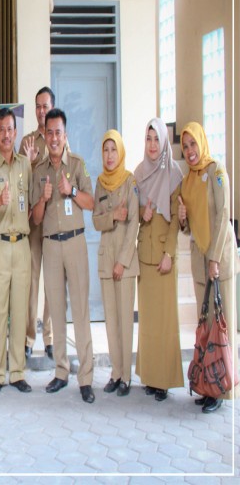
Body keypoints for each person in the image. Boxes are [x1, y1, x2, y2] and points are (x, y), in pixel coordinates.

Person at [31, 108, 95, 403]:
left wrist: (70, 192)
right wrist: (44, 199)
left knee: (80, 311)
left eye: (59, 132)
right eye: (50, 132)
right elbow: (35, 218)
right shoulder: (39, 170)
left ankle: (86, 378)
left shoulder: (78, 165)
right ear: (43, 135)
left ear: (65, 135)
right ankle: (60, 371)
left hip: (75, 243)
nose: (54, 138)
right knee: (56, 311)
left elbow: (91, 202)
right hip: (51, 246)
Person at [178, 121, 239, 413]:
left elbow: (223, 214)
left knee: (224, 327)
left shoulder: (217, 171)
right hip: (200, 263)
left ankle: (225, 389)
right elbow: (188, 225)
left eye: (193, 144)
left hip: (219, 261)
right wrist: (181, 218)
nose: (190, 151)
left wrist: (214, 258)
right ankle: (209, 386)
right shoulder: (188, 180)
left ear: (202, 142)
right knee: (207, 328)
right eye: (185, 146)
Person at [0, 108, 32, 395]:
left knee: (19, 311)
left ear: (15, 132)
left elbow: (32, 201)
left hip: (22, 245)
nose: (5, 134)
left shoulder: (25, 165)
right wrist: (0, 200)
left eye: (10, 129)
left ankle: (18, 372)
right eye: (0, 129)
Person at [134, 117, 183, 402]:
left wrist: (170, 254)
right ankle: (150, 378)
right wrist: (143, 214)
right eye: (148, 139)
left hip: (164, 256)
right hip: (145, 255)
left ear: (164, 141)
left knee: (165, 321)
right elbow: (135, 213)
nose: (152, 145)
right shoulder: (139, 173)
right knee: (149, 322)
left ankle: (164, 380)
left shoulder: (174, 173)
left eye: (156, 139)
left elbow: (177, 219)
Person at [92, 130, 139, 397]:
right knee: (110, 320)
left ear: (120, 152)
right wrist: (113, 214)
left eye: (113, 150)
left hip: (125, 262)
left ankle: (127, 377)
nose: (109, 156)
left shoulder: (129, 181)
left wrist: (122, 261)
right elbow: (96, 220)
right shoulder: (100, 183)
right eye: (105, 150)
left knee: (124, 320)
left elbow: (133, 223)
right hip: (105, 260)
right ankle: (115, 373)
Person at [19, 86, 55, 359]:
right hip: (33, 221)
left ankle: (50, 337)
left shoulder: (60, 139)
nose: (41, 111)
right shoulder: (27, 142)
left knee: (52, 281)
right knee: (31, 281)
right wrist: (29, 164)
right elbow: (19, 180)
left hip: (54, 222)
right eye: (38, 106)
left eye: (45, 106)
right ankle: (29, 338)